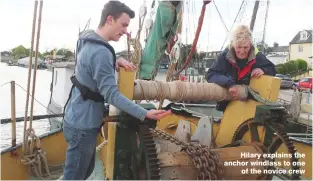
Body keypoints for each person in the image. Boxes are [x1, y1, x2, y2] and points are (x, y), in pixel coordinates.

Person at [62, 1, 171, 180]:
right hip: (84, 126)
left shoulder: (86, 38)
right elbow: (111, 95)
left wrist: (114, 61)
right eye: (124, 25)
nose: (126, 31)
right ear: (110, 19)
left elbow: (90, 67)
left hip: (73, 116)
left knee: (83, 172)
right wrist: (144, 113)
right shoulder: (101, 53)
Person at [206, 25, 276, 112]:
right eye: (239, 47)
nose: (242, 51)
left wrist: (263, 70)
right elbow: (211, 74)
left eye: (245, 47)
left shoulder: (256, 55)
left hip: (248, 104)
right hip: (227, 104)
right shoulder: (224, 56)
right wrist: (229, 83)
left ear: (250, 45)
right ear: (233, 44)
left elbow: (272, 68)